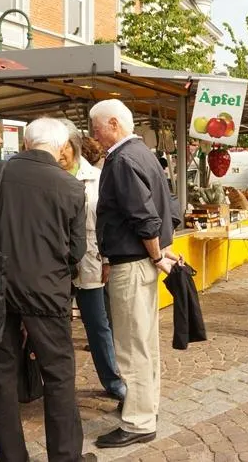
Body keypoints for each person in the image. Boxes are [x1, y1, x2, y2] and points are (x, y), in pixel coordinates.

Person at [0, 118, 88, 462]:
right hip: (46, 290)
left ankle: (12, 457)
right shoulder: (70, 186)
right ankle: (65, 457)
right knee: (58, 375)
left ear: (26, 143)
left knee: (2, 375)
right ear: (61, 147)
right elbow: (77, 250)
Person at [90, 99, 180, 449]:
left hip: (132, 263)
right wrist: (160, 251)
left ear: (113, 124)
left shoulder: (123, 159)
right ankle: (145, 407)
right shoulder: (143, 154)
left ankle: (139, 419)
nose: (94, 135)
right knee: (143, 342)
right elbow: (170, 207)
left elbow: (144, 216)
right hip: (139, 260)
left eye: (96, 127)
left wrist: (156, 254)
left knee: (132, 346)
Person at [58, 119, 126, 402]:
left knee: (98, 325)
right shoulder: (46, 177)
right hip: (54, 265)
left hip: (89, 261)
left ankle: (112, 380)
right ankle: (56, 384)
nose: (58, 152)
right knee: (55, 327)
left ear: (72, 146)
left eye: (62, 145)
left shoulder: (97, 178)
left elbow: (106, 222)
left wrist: (107, 258)